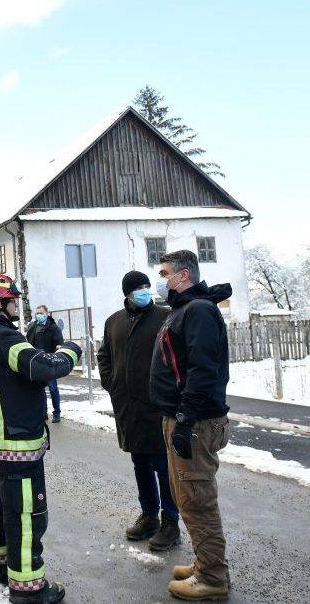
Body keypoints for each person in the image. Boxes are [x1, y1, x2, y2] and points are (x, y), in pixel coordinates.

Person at [0, 273, 82, 604]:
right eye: (12, 299)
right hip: (17, 444)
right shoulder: (3, 337)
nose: (16, 304)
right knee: (28, 516)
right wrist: (71, 350)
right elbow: (42, 367)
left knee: (1, 508)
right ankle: (29, 590)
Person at [149, 250, 232, 601]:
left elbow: (202, 369)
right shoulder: (182, 310)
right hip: (181, 419)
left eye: (165, 272)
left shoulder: (198, 310)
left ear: (184, 275)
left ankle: (212, 577)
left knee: (197, 501)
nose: (161, 279)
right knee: (187, 498)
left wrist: (184, 418)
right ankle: (204, 563)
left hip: (194, 422)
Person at [97, 271, 179, 551]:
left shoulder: (165, 316)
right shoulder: (114, 322)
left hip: (157, 407)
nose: (144, 291)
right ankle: (149, 516)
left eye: (147, 286)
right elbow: (104, 355)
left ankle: (171, 522)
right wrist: (111, 382)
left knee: (163, 466)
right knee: (140, 464)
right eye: (138, 288)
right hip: (128, 408)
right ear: (127, 293)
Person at [25, 305, 64, 422]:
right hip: (38, 363)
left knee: (52, 388)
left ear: (47, 313)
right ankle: (43, 413)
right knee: (40, 390)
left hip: (50, 363)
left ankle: (57, 413)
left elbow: (59, 344)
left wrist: (57, 355)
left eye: (41, 313)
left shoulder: (53, 328)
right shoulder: (33, 327)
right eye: (37, 313)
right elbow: (29, 342)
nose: (38, 315)